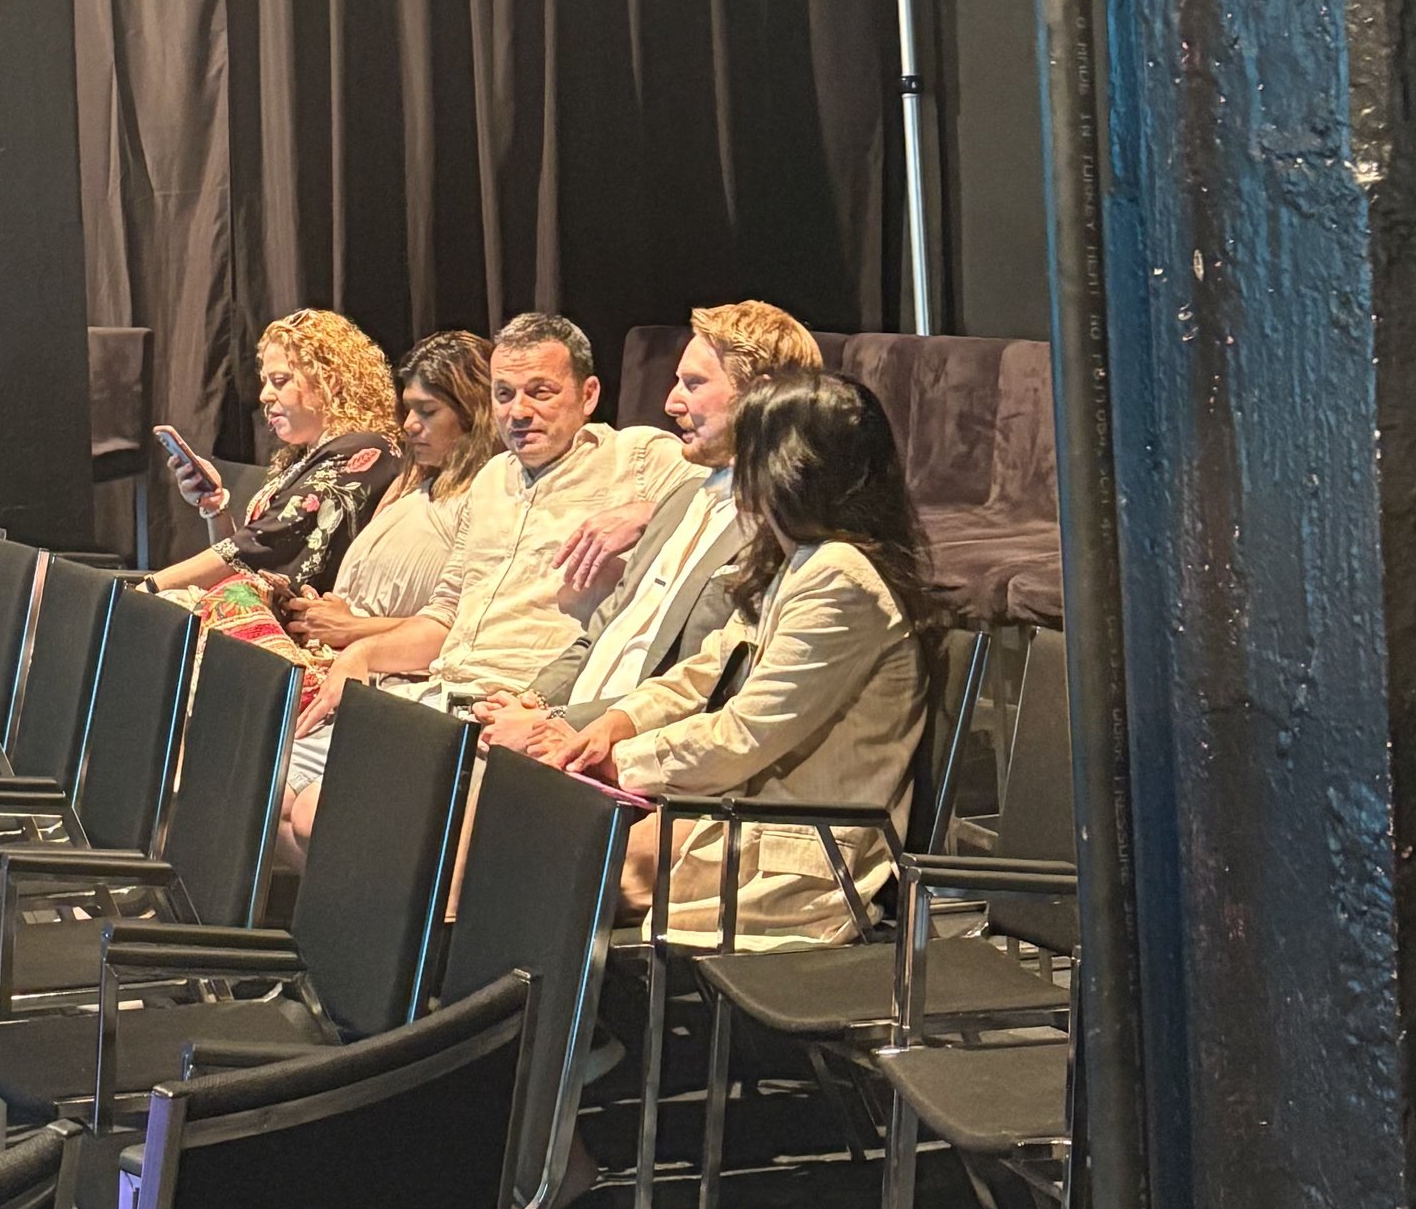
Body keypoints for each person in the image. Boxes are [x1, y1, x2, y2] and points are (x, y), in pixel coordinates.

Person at [558, 367, 943, 946]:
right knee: (524, 850)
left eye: (749, 452)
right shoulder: (798, 560)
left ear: (784, 467)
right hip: (731, 821)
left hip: (789, 857)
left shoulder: (841, 578)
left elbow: (745, 735)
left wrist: (619, 762)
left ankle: (523, 1029)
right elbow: (709, 668)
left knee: (544, 877)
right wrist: (617, 724)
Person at [480, 301, 823, 765]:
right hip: (566, 738)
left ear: (758, 396)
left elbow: (709, 687)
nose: (671, 402)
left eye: (694, 384)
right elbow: (602, 631)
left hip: (634, 760)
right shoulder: (681, 499)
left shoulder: (784, 527)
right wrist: (532, 700)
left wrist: (557, 723)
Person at [301, 311, 685, 725]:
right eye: (504, 394)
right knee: (277, 756)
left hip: (525, 711)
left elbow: (738, 500)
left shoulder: (638, 455)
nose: (518, 412)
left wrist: (649, 514)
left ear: (588, 395)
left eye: (540, 392)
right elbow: (445, 617)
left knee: (319, 787)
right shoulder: (490, 479)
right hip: (434, 693)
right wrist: (364, 652)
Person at [273, 329, 495, 855]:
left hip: (392, 681)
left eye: (428, 411)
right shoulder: (415, 483)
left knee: (304, 810)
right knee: (245, 782)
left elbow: (456, 619)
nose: (409, 425)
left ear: (471, 412)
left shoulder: (482, 496)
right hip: (337, 666)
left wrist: (356, 632)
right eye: (407, 409)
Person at [152, 312, 399, 622]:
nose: (265, 395)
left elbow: (259, 547)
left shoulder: (363, 451)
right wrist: (216, 508)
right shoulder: (306, 457)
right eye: (266, 381)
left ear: (330, 382)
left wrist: (149, 588)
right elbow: (246, 562)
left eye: (280, 381)